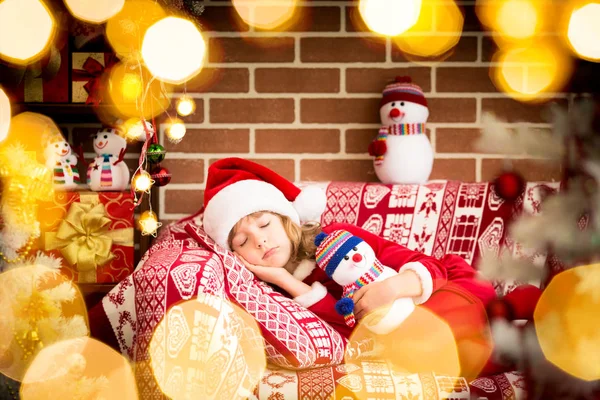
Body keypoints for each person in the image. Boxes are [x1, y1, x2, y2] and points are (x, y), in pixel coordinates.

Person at [201, 157, 502, 378]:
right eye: (242, 240)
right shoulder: (272, 294)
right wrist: (287, 281)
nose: (260, 240)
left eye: (265, 224)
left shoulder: (336, 239)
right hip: (410, 330)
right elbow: (348, 328)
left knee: (480, 320)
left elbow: (429, 266)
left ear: (287, 219)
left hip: (440, 286)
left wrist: (390, 288)